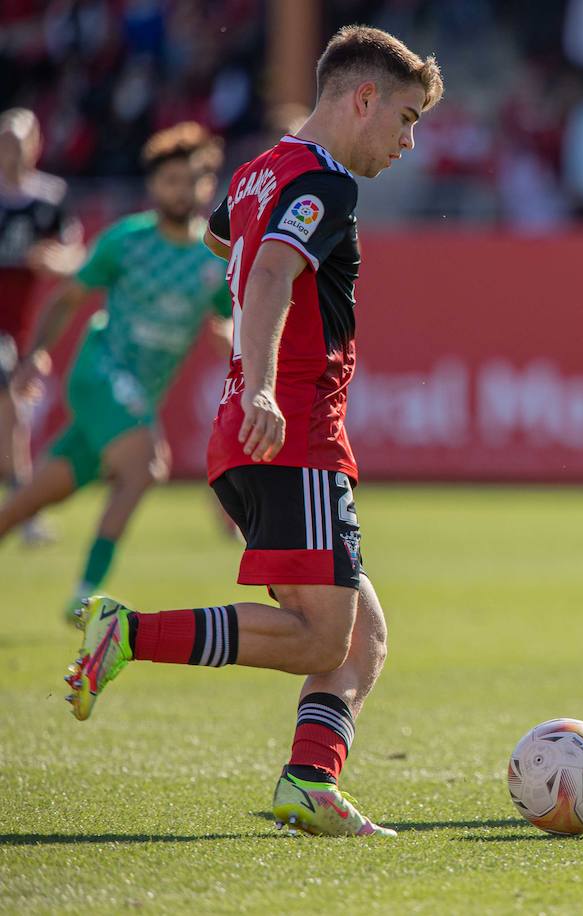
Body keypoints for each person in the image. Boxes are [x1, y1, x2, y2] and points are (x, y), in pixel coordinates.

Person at [63, 26, 444, 838]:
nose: (409, 142)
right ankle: (126, 632)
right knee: (321, 638)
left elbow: (222, 244)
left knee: (360, 635)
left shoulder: (254, 173)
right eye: (406, 118)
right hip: (291, 430)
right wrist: (266, 383)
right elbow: (268, 270)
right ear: (362, 98)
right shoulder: (326, 183)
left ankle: (309, 782)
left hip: (250, 431)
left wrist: (252, 372)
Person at [0, 123, 233, 611]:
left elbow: (227, 320)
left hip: (135, 398)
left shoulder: (213, 259)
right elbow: (69, 298)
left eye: (191, 180)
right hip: (98, 373)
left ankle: (81, 589)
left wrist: (225, 337)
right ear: (153, 186)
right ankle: (85, 596)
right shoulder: (126, 240)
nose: (180, 190)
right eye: (170, 180)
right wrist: (36, 354)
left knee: (34, 498)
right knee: (146, 465)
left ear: (208, 185)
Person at [0, 108, 84, 545]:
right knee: (11, 410)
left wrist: (56, 260)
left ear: (35, 146)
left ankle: (22, 506)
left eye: (19, 142)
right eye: (5, 142)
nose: (11, 152)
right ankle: (23, 509)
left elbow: (75, 255)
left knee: (12, 413)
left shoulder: (48, 197)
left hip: (24, 325)